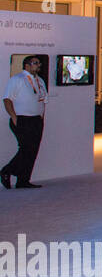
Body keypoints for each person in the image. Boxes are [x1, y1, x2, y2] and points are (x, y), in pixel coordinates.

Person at [3, 55, 48, 189]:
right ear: (27, 65)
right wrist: (14, 117)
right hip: (22, 119)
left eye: (39, 63)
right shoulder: (17, 79)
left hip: (36, 120)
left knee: (33, 150)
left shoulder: (40, 81)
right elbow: (7, 100)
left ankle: (23, 180)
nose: (38, 65)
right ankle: (7, 171)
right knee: (26, 149)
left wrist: (41, 117)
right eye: (35, 63)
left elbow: (43, 100)